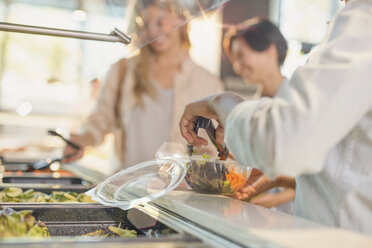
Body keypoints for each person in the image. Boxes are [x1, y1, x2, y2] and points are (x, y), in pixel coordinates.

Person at [179, 0, 372, 235]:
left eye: (242, 55)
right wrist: (283, 177)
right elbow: (349, 164)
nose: (239, 66)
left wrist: (222, 103)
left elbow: (286, 142)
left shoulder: (364, 20)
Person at [63, 0, 223, 171]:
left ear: (180, 18)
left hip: (178, 193)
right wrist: (82, 139)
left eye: (160, 21)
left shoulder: (209, 82)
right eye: (145, 25)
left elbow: (212, 147)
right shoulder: (122, 70)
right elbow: (101, 119)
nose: (153, 31)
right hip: (125, 189)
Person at [222, 17, 295, 213]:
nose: (237, 67)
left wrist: (275, 199)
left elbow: (318, 174)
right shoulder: (250, 109)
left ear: (270, 50)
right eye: (234, 60)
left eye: (241, 56)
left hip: (296, 216)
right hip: (259, 215)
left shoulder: (299, 103)